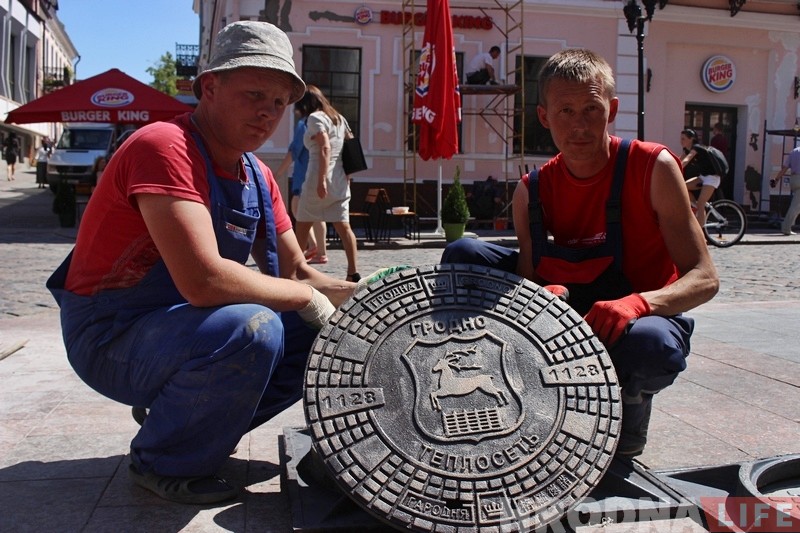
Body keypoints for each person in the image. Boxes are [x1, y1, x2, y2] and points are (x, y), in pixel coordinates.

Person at [45, 21, 359, 505]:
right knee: (252, 328)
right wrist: (305, 296)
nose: (268, 112)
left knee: (327, 335)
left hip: (183, 329)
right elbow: (204, 281)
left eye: (279, 103)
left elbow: (296, 272)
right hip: (110, 334)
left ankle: (182, 421)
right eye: (255, 94)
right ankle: (163, 460)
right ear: (209, 87)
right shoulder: (163, 147)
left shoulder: (257, 176)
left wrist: (360, 296)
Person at [440, 48, 719, 458]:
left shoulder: (653, 166)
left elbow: (704, 277)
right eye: (565, 111)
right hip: (570, 307)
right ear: (544, 116)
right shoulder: (531, 190)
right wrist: (537, 297)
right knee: (463, 253)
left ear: (612, 110)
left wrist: (638, 304)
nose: (580, 126)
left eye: (592, 109)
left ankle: (631, 399)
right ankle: (498, 371)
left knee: (653, 346)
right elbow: (529, 275)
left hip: (640, 316)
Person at [293, 85, 360, 281]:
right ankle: (353, 272)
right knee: (344, 228)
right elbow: (350, 146)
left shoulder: (315, 118)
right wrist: (348, 176)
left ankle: (294, 271)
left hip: (317, 178)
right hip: (339, 180)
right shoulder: (339, 118)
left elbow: (324, 147)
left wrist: (321, 179)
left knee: (302, 226)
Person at [273, 92, 327, 262]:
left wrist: (278, 173)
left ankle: (318, 250)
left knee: (300, 210)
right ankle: (315, 248)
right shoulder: (322, 123)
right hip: (314, 173)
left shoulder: (304, 124)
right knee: (311, 213)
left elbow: (294, 150)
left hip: (304, 175)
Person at [680, 128, 722, 227]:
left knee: (701, 203)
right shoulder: (686, 150)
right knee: (683, 187)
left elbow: (686, 161)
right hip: (703, 176)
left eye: (683, 139)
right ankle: (697, 208)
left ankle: (701, 231)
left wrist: (675, 170)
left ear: (691, 139)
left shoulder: (696, 148)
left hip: (712, 178)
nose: (681, 141)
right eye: (680, 138)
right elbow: (678, 161)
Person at [769, 145, 800, 235]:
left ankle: (788, 226)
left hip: (794, 179)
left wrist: (776, 179)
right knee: (795, 206)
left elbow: (785, 168)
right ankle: (786, 227)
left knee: (797, 206)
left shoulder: (794, 151)